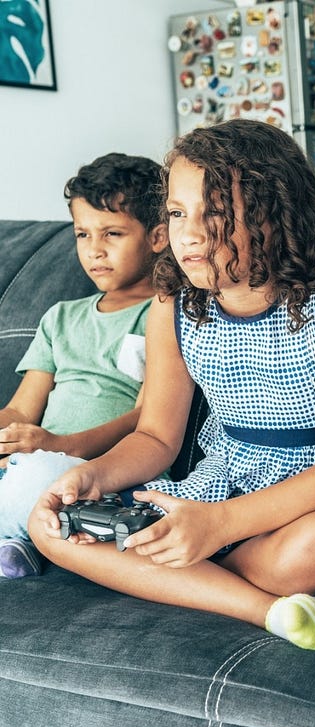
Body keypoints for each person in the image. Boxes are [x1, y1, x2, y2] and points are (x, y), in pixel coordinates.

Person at [28, 119, 315, 650]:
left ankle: (194, 568)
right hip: (223, 481)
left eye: (213, 214)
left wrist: (221, 526)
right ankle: (272, 608)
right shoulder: (172, 304)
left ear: (273, 216)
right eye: (176, 213)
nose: (187, 234)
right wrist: (91, 476)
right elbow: (156, 439)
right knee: (47, 526)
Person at [0, 153, 167, 579]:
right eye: (82, 234)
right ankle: (22, 536)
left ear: (158, 236)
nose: (94, 250)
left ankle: (21, 536)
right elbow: (21, 410)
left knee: (38, 473)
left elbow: (146, 421)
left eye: (112, 233)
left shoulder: (163, 314)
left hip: (102, 474)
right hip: (42, 456)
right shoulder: (61, 317)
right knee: (28, 468)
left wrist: (59, 445)